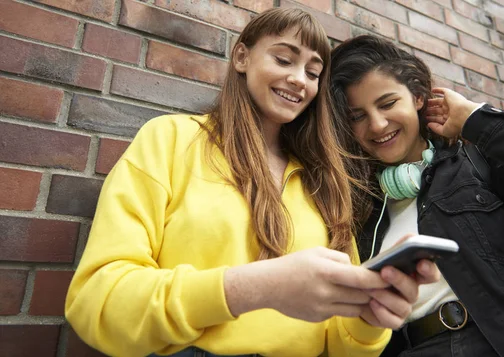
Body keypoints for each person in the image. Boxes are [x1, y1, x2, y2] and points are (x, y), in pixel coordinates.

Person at [65, 10, 441, 357]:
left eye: (313, 72)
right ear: (241, 57)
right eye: (283, 59)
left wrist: (369, 319)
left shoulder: (323, 181)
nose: (299, 79)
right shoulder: (171, 139)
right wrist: (254, 288)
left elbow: (345, 347)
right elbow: (99, 304)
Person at [329, 34, 504, 357]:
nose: (377, 124)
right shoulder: (362, 212)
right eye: (357, 116)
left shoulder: (478, 162)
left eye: (387, 103)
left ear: (417, 96)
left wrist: (478, 120)